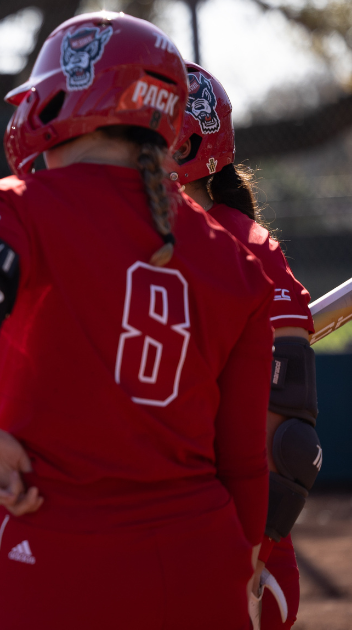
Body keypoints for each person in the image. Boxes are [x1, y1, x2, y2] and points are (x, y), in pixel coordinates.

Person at [0, 13, 272, 629]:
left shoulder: (14, 206)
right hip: (204, 561)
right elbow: (245, 459)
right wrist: (243, 563)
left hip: (61, 555)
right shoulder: (232, 253)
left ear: (58, 96)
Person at [169, 63, 318, 630]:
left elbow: (289, 444)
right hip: (127, 529)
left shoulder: (247, 249)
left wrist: (254, 548)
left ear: (182, 143)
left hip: (224, 541)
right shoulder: (113, 242)